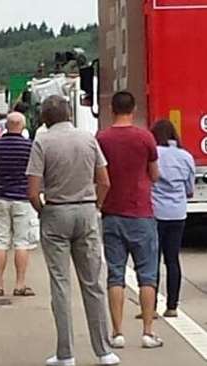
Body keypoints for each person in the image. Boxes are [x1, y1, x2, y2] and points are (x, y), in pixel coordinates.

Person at [27, 96, 119, 366]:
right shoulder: (88, 139)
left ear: (45, 117)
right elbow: (104, 180)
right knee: (93, 283)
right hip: (86, 210)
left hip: (56, 211)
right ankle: (104, 351)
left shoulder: (42, 141)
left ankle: (66, 354)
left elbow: (33, 190)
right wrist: (97, 205)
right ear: (69, 114)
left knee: (60, 284)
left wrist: (43, 211)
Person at [97, 91, 163, 349]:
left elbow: (98, 174)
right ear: (133, 109)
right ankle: (147, 332)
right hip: (141, 213)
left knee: (115, 275)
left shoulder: (102, 138)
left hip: (112, 212)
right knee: (147, 276)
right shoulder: (145, 137)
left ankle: (117, 333)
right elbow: (155, 175)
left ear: (112, 110)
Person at [0, 112, 38, 297]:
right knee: (21, 242)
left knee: (0, 242)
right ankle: (20, 284)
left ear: (6, 126)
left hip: (0, 196)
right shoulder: (30, 146)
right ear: (23, 126)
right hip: (23, 199)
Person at [151, 120, 195, 318]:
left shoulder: (153, 155)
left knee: (152, 260)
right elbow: (190, 190)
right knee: (172, 259)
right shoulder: (186, 157)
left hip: (155, 213)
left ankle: (150, 307)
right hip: (177, 214)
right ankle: (172, 306)